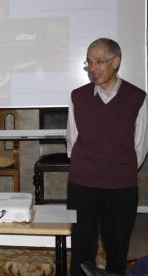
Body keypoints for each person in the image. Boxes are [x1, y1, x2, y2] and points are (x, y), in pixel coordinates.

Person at [66, 38, 148, 275]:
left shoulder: (138, 98)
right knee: (82, 248)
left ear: (116, 62)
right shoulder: (77, 96)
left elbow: (140, 147)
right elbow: (72, 141)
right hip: (82, 185)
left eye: (99, 61)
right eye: (89, 62)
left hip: (121, 187)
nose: (93, 68)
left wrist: (117, 170)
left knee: (117, 249)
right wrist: (88, 166)